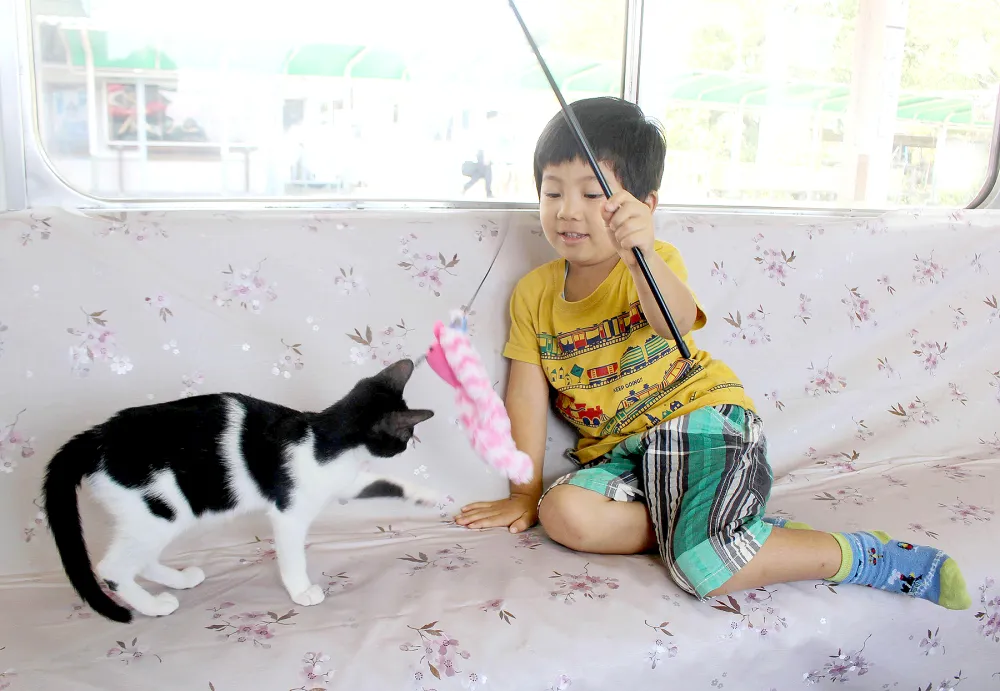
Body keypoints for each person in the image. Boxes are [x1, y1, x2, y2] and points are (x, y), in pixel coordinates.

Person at [456, 96, 970, 610]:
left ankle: (866, 556)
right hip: (623, 458)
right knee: (563, 512)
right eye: (552, 193)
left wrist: (641, 257)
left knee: (700, 564)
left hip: (701, 424)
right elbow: (525, 395)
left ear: (643, 207)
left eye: (593, 195)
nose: (568, 210)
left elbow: (673, 321)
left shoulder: (654, 264)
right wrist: (522, 495)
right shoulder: (533, 293)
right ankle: (736, 531)